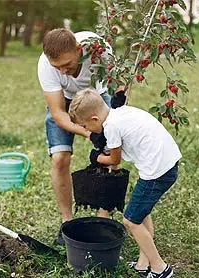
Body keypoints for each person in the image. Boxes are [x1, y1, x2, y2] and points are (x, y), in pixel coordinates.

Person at [68, 89, 181, 278]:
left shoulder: (111, 127)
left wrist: (96, 157)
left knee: (130, 220)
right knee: (142, 214)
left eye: (86, 126)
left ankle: (161, 268)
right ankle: (143, 264)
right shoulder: (120, 111)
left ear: (95, 119)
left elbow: (114, 160)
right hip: (166, 163)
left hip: (157, 173)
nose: (87, 131)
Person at [37, 28, 126, 245]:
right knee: (60, 158)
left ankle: (103, 218)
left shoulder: (99, 50)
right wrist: (87, 132)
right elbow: (58, 113)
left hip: (96, 96)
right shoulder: (46, 66)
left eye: (67, 64)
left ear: (78, 50)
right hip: (65, 101)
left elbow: (120, 83)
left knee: (110, 150)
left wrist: (117, 103)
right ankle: (67, 223)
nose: (63, 71)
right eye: (57, 67)